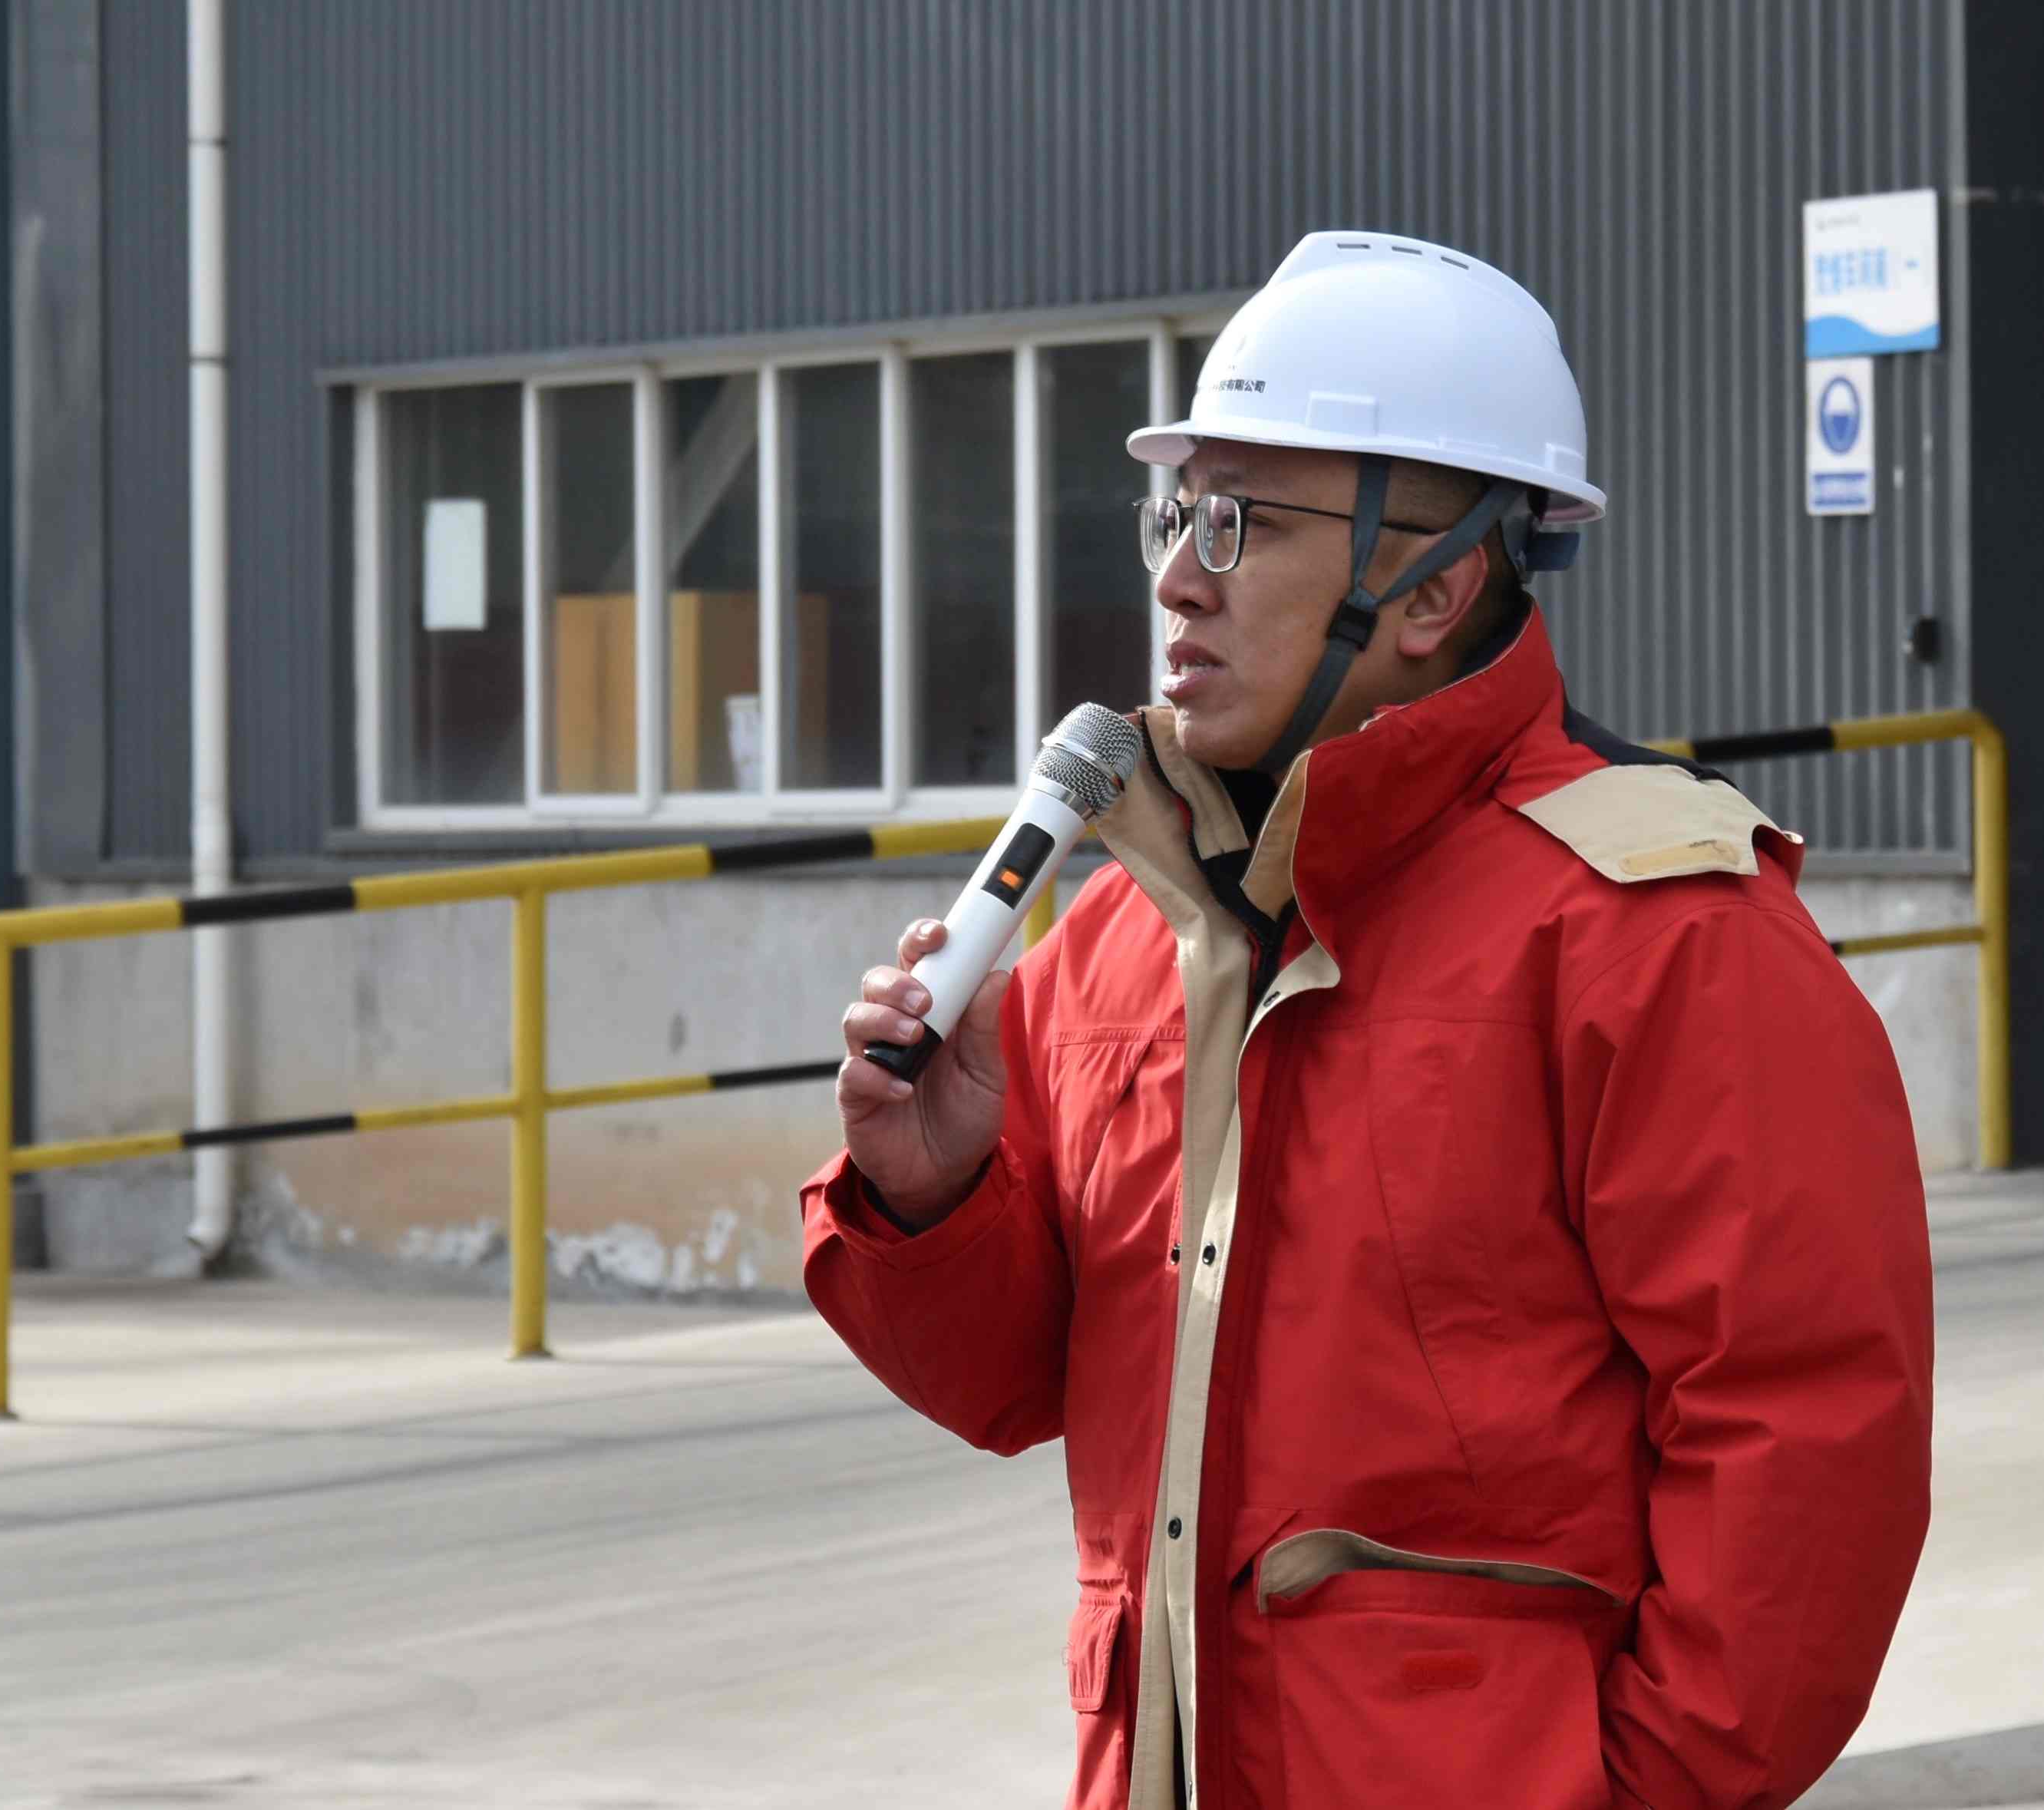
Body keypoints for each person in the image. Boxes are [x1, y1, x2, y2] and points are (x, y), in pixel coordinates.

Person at [803, 230, 1933, 1810]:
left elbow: (1806, 1437)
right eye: (1175, 515)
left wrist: (1628, 1792)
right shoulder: (1121, 935)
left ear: (1436, 587)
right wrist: (931, 1194)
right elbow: (1010, 1385)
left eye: (1242, 523)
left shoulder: (1662, 934)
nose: (1177, 578)